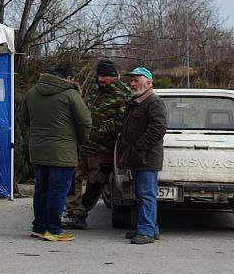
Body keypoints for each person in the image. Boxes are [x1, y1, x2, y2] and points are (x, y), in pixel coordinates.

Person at [19, 62, 91, 242]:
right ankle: (54, 230)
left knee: (41, 189)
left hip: (38, 151)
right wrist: (81, 141)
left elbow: (24, 119)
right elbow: (85, 121)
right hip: (62, 152)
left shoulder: (32, 93)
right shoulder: (71, 94)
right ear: (69, 78)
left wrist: (37, 137)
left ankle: (39, 227)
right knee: (57, 191)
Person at [63, 59, 131, 230]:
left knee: (95, 184)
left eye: (105, 76)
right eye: (99, 76)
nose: (101, 79)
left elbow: (125, 121)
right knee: (72, 178)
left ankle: (80, 213)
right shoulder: (94, 91)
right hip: (83, 146)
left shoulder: (123, 94)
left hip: (102, 149)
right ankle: (73, 211)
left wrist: (101, 130)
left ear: (114, 76)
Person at [118, 67, 167, 245]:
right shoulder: (135, 102)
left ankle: (146, 231)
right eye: (131, 80)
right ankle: (149, 228)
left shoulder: (154, 102)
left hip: (146, 157)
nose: (132, 84)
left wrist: (139, 147)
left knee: (146, 195)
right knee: (140, 194)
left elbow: (158, 128)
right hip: (136, 157)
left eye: (136, 80)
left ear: (148, 83)